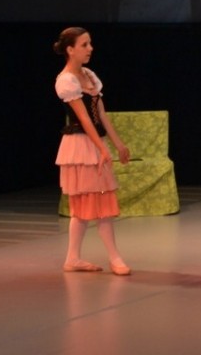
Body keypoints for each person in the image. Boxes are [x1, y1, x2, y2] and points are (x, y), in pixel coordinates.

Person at [52, 27, 132, 276]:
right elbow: (85, 118)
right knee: (90, 203)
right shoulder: (66, 80)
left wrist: (118, 144)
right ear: (70, 49)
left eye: (90, 44)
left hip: (94, 143)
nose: (90, 48)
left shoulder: (89, 75)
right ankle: (113, 257)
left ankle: (73, 258)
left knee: (95, 202)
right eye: (84, 45)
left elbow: (101, 115)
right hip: (80, 146)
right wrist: (101, 148)